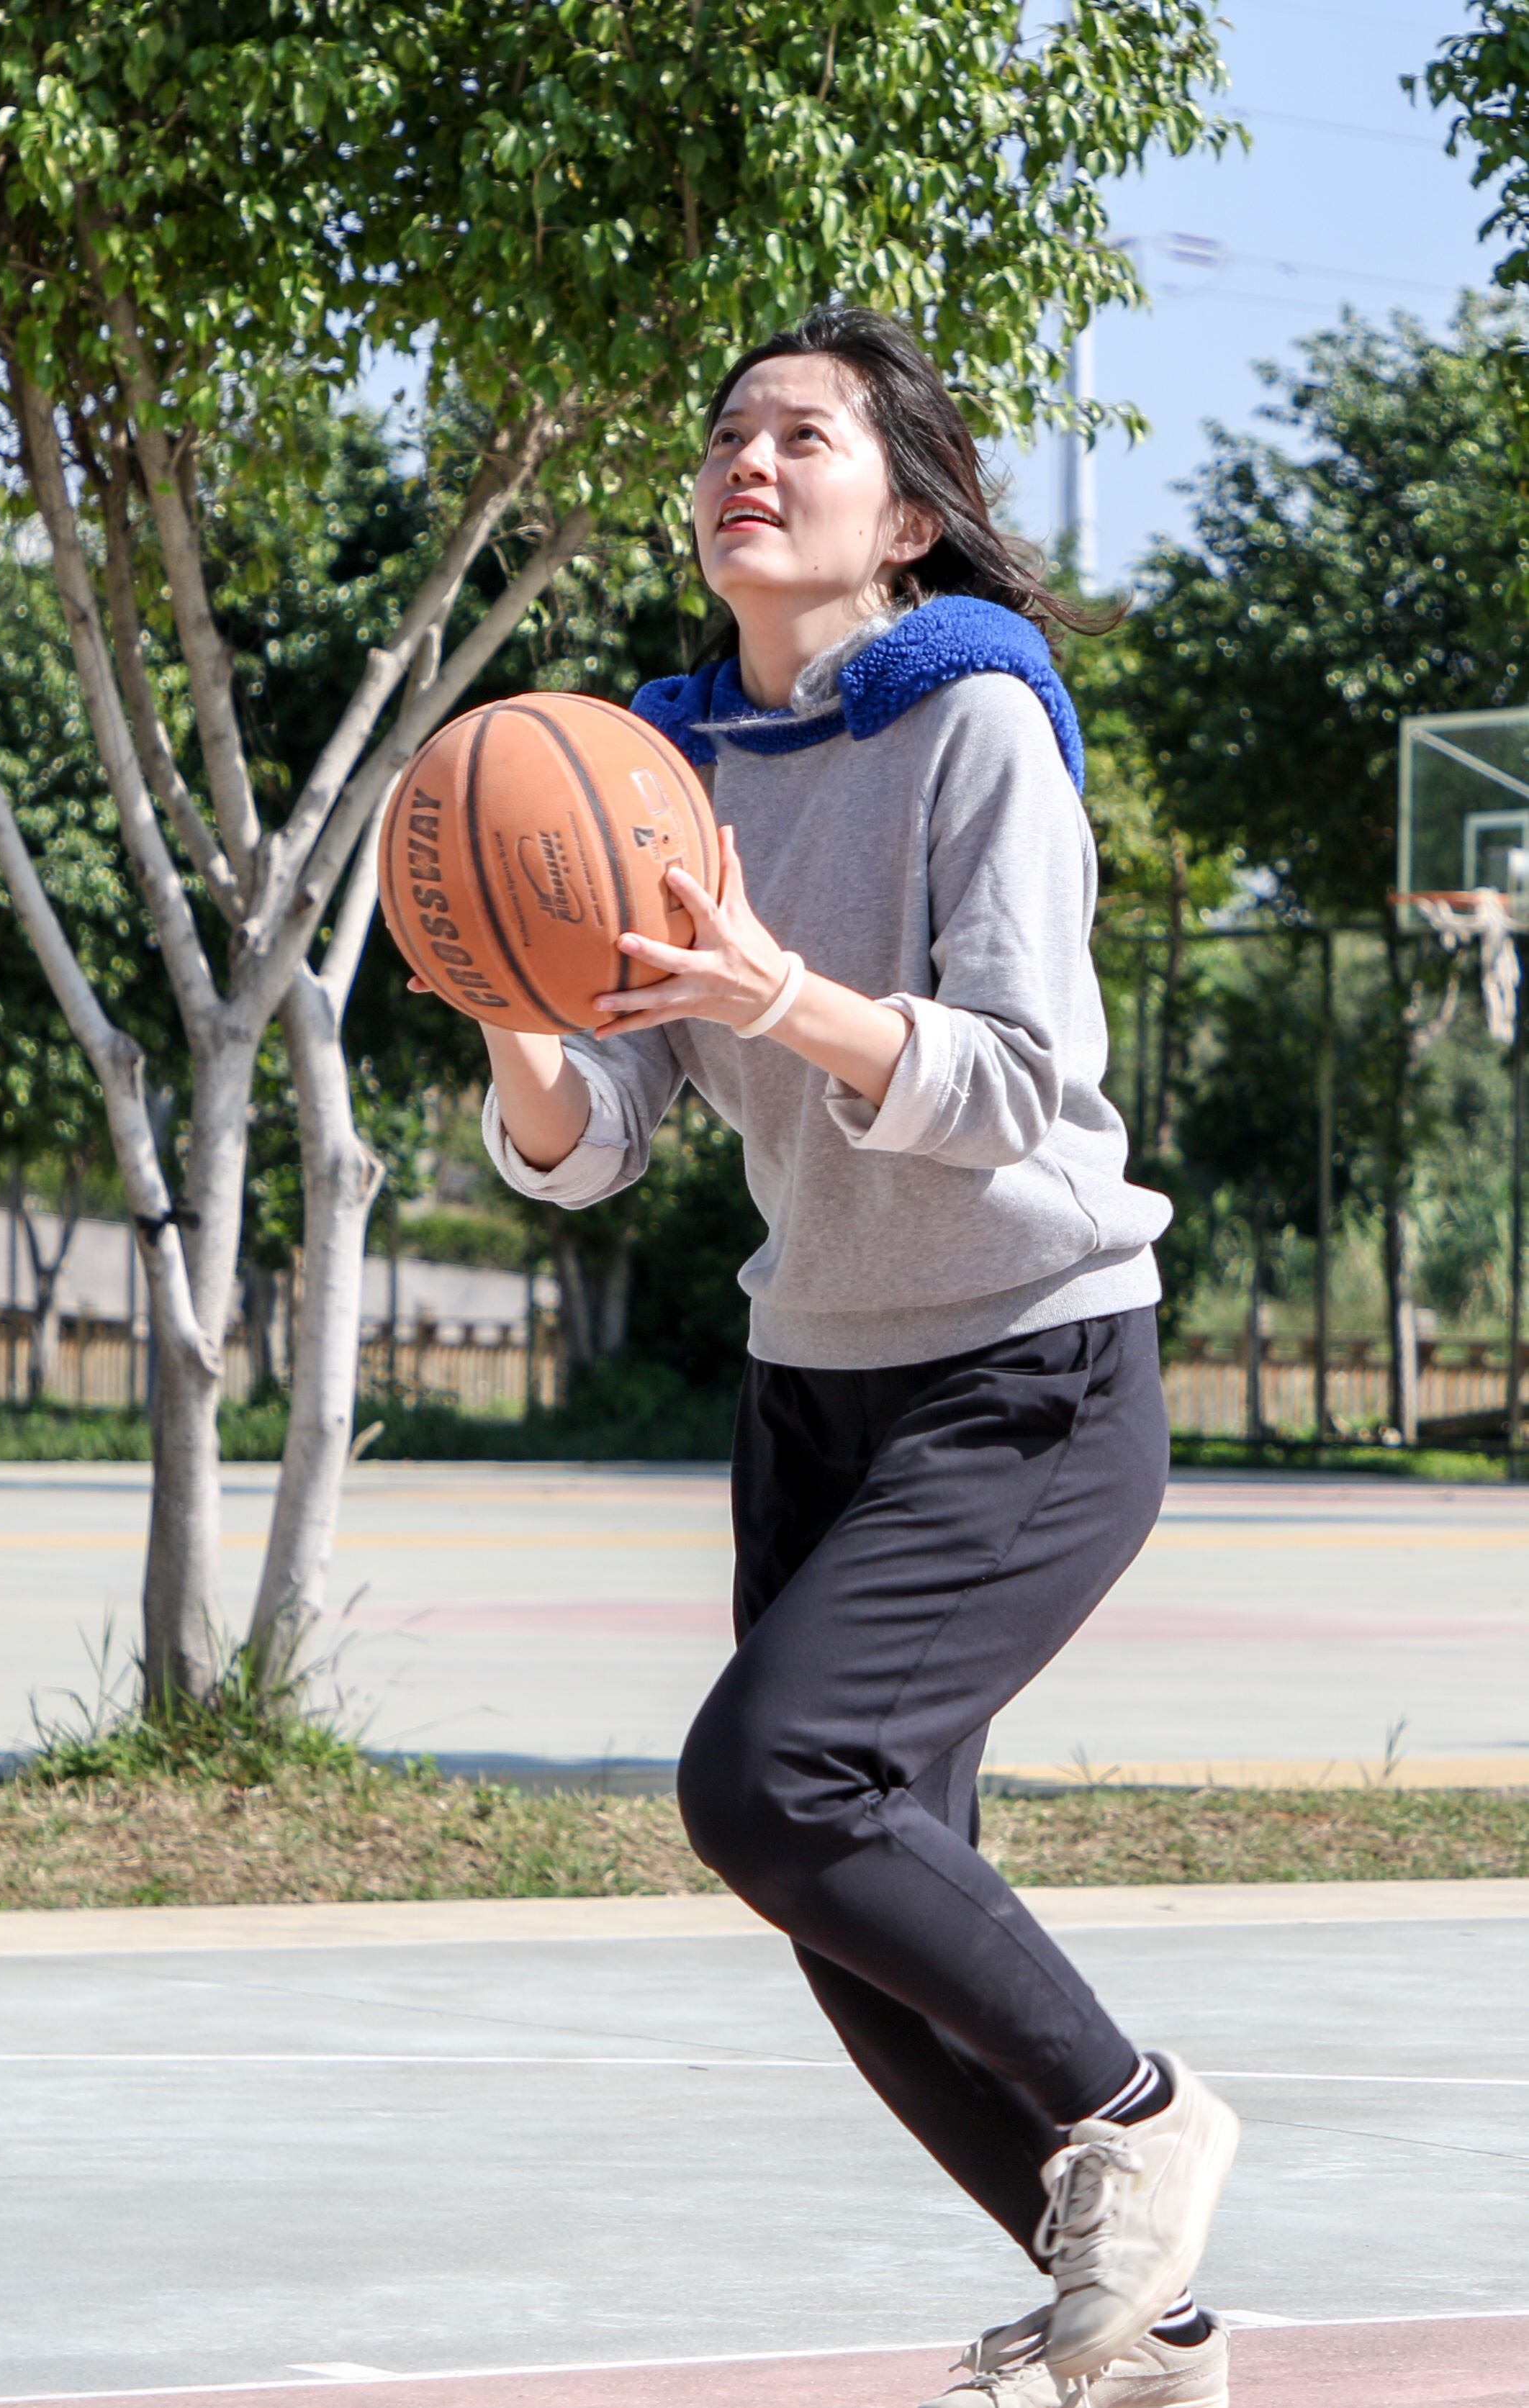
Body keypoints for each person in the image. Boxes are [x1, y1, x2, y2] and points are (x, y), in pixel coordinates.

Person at [473, 307, 1239, 2408]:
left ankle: (1144, 2110)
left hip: (1031, 1365)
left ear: (904, 518)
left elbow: (1015, 1082)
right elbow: (597, 1141)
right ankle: (1148, 2342)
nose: (750, 458)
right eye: (728, 431)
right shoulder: (661, 768)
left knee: (772, 1783)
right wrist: (508, 998)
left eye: (804, 434)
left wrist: (778, 993)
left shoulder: (978, 720)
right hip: (812, 1380)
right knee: (850, 1915)